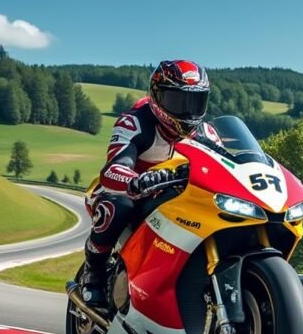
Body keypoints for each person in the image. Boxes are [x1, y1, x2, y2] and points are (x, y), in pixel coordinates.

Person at [80, 60, 210, 307]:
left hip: (177, 197)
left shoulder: (205, 133)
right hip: (128, 192)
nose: (187, 112)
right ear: (157, 98)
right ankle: (93, 274)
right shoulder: (135, 122)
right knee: (119, 206)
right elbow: (113, 168)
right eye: (177, 101)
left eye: (194, 102)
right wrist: (137, 181)